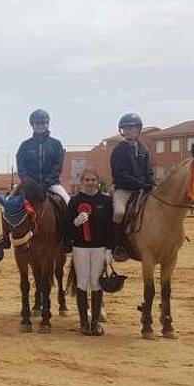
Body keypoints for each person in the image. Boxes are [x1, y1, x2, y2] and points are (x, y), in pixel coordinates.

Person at [1, 109, 68, 249]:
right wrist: (29, 182)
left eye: (43, 123)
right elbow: (21, 167)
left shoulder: (56, 144)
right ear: (32, 125)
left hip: (51, 184)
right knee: (6, 204)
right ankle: (5, 237)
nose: (41, 125)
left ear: (48, 124)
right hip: (28, 184)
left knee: (67, 203)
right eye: (37, 123)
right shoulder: (25, 146)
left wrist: (46, 183)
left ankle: (67, 238)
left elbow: (57, 166)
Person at [66, 169, 115, 336]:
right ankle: (83, 322)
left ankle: (95, 322)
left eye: (93, 179)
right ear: (82, 181)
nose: (90, 182)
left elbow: (110, 227)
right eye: (87, 179)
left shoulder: (106, 201)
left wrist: (110, 249)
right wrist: (75, 223)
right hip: (80, 248)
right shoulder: (74, 201)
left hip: (100, 247)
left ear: (97, 181)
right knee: (81, 282)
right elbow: (66, 226)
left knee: (96, 283)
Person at [110, 113, 154, 259]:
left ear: (138, 129)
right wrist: (139, 184)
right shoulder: (118, 150)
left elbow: (149, 170)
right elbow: (120, 174)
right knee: (119, 213)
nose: (129, 131)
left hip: (144, 188)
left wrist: (151, 184)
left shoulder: (144, 149)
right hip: (124, 189)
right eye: (126, 128)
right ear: (122, 131)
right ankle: (117, 245)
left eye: (132, 127)